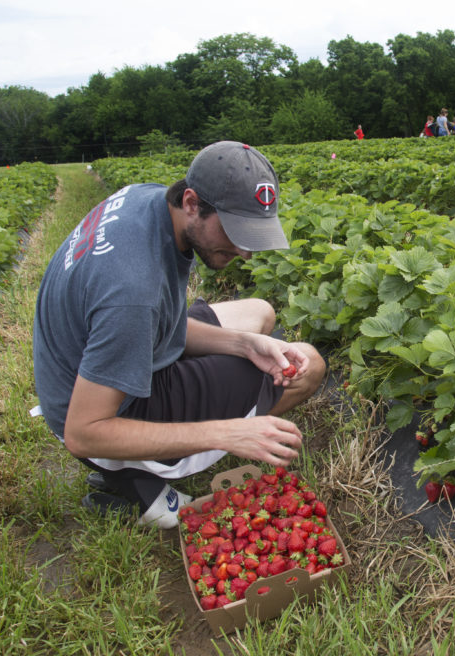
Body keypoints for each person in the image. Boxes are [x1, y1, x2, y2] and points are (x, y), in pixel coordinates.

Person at [32, 141, 326, 528]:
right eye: (235, 231)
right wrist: (228, 433)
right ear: (191, 202)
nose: (245, 252)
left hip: (98, 363)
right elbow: (83, 434)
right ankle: (131, 475)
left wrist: (244, 344)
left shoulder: (146, 201)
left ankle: (145, 464)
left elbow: (155, 324)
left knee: (259, 315)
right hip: (99, 412)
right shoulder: (132, 292)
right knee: (308, 364)